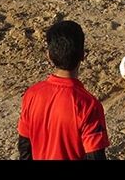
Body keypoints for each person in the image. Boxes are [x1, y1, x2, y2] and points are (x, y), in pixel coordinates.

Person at [17, 20, 109, 161]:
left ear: (49, 55)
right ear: (83, 55)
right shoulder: (89, 105)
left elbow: (24, 147)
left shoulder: (32, 94)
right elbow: (96, 156)